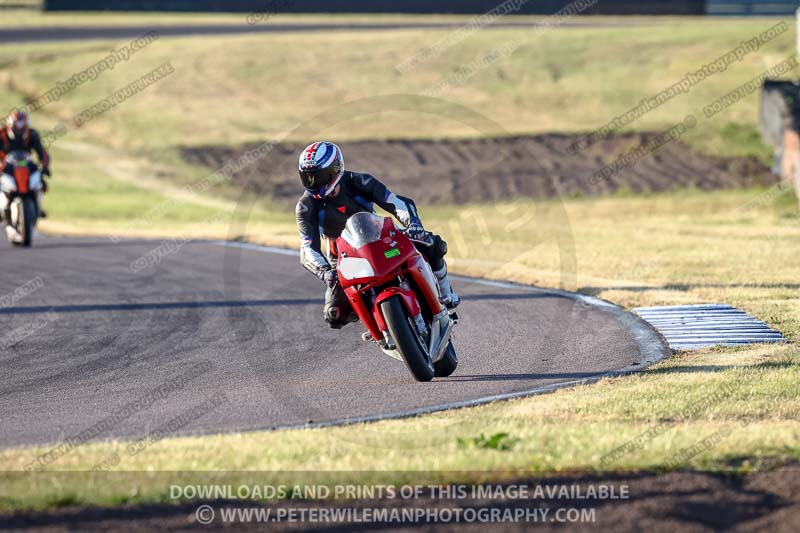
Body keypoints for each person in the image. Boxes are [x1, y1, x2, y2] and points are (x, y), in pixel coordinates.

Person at [295, 141, 459, 329]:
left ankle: (446, 293)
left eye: (318, 176)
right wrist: (324, 272)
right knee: (334, 314)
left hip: (381, 240)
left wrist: (413, 224)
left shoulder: (359, 181)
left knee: (432, 243)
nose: (313, 183)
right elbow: (307, 248)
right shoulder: (305, 206)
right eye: (307, 177)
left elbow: (395, 202)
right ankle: (377, 324)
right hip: (343, 259)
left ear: (335, 169)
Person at [0, 110, 51, 218]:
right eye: (16, 129)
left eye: (21, 129)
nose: (18, 132)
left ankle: (38, 207)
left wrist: (45, 167)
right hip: (6, 167)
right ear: (10, 126)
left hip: (25, 165)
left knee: (41, 183)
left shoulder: (32, 135)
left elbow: (42, 153)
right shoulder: (2, 135)